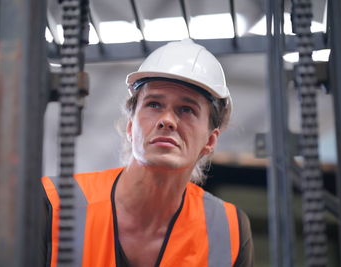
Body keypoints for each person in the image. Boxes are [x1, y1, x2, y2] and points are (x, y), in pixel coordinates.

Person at [42, 39, 254, 267]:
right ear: (131, 126)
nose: (167, 120)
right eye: (154, 104)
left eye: (186, 109)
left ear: (210, 140)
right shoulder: (53, 202)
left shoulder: (227, 230)